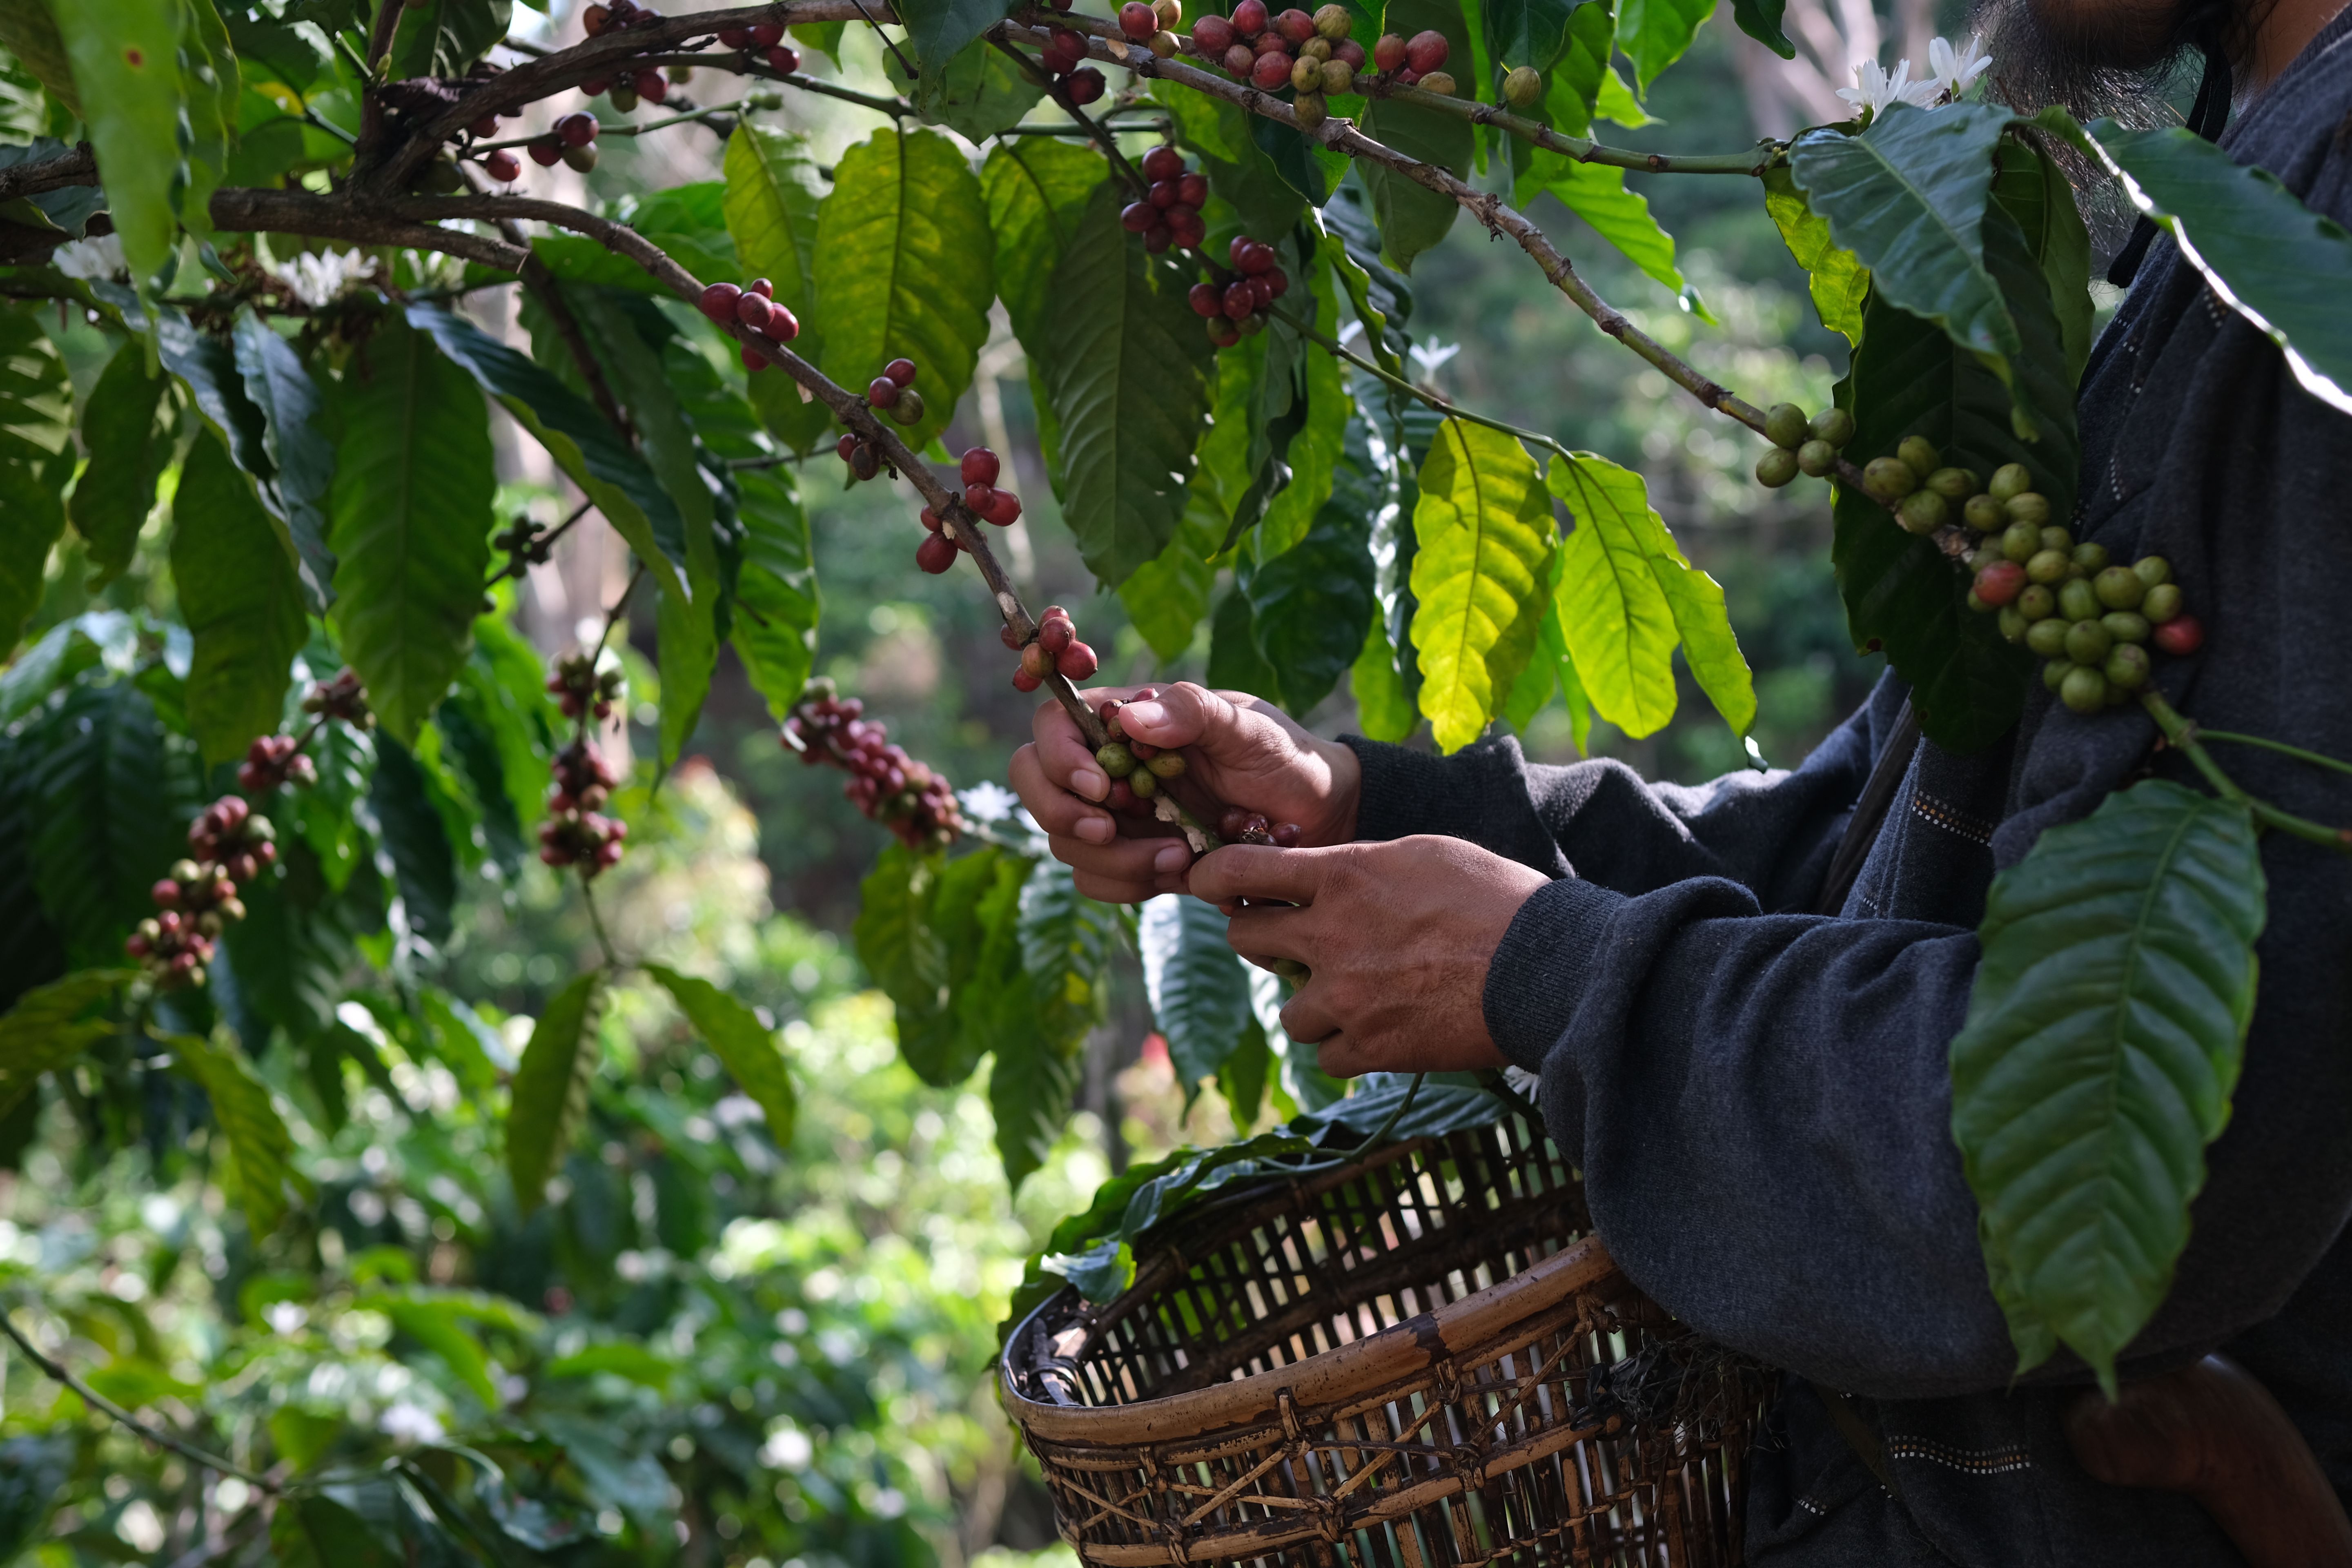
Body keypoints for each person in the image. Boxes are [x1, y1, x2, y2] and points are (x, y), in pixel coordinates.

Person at [1007, 0, 2352, 1557]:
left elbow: (2106, 1134)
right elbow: (1876, 850)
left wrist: (1542, 971)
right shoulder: (2226, 197)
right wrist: (1380, 806)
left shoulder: (2322, 217)